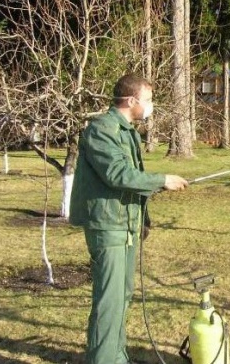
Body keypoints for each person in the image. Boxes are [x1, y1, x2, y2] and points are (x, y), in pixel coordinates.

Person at [70, 74, 189, 364]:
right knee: (108, 301)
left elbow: (129, 182)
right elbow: (117, 175)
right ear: (132, 100)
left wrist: (143, 217)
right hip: (107, 227)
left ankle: (116, 356)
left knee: (122, 296)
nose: (151, 106)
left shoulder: (127, 131)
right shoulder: (102, 129)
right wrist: (162, 179)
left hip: (126, 227)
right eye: (148, 100)